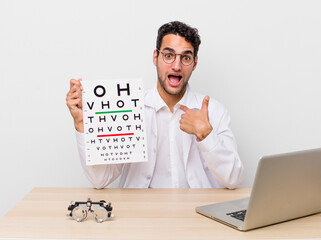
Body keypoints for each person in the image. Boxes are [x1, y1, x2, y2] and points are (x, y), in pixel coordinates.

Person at [66, 21, 243, 189]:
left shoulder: (214, 111)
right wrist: (82, 125)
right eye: (168, 55)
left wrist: (206, 134)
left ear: (194, 63)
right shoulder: (128, 108)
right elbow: (99, 180)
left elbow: (232, 179)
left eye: (186, 58)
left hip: (197, 215)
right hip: (141, 214)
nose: (176, 66)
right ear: (155, 57)